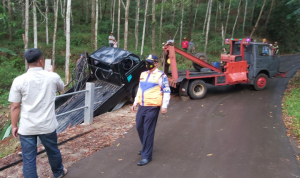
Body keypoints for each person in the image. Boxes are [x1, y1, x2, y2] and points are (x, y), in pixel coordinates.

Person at [8, 48, 67, 178]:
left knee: (28, 158)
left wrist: (14, 126)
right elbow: (61, 88)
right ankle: (58, 173)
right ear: (41, 61)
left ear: (27, 62)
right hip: (47, 125)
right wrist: (51, 72)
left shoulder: (19, 80)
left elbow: (15, 106)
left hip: (27, 127)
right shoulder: (52, 77)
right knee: (53, 151)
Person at [132, 54, 170, 166]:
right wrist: (135, 102)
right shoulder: (143, 74)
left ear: (156, 63)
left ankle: (146, 156)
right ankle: (146, 147)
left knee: (148, 129)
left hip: (153, 106)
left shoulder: (161, 76)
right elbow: (140, 89)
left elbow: (166, 91)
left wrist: (164, 106)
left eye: (150, 62)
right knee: (139, 126)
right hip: (142, 105)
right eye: (147, 62)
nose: (147, 64)